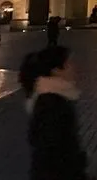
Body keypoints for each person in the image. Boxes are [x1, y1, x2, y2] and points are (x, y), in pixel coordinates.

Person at [19, 46, 88, 180]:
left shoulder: (56, 98)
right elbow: (52, 154)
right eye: (69, 64)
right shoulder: (52, 104)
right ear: (56, 71)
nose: (75, 67)